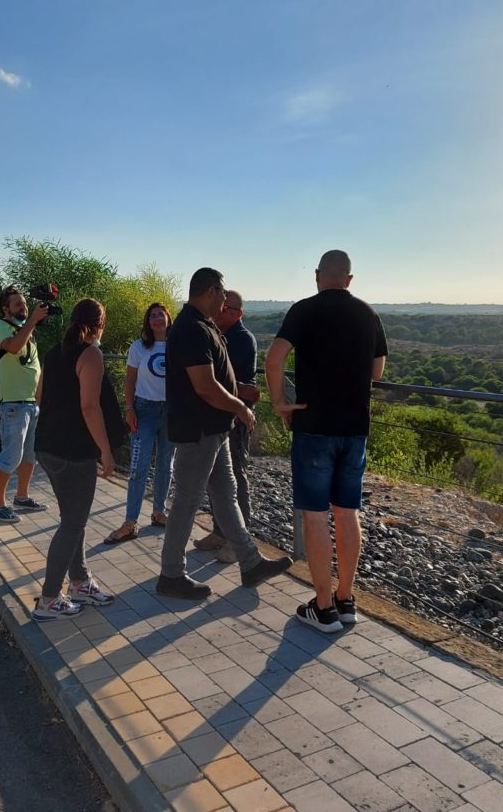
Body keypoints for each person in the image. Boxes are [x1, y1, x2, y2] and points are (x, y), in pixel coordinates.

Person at [266, 250, 387, 632]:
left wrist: (280, 403)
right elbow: (377, 371)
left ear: (318, 276)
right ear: (349, 279)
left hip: (314, 425)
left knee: (315, 517)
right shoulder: (368, 313)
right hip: (354, 429)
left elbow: (273, 359)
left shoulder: (304, 310)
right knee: (347, 512)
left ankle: (322, 607)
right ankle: (346, 599)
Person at [157, 267, 292, 600]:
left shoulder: (203, 326)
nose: (224, 298)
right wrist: (240, 408)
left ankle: (250, 562)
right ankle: (171, 574)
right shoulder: (190, 328)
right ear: (210, 291)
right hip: (199, 430)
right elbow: (205, 386)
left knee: (226, 495)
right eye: (222, 292)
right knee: (187, 502)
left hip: (212, 430)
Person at [31, 298, 117, 621]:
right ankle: (49, 598)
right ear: (99, 324)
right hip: (74, 452)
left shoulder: (55, 353)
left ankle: (79, 582)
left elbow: (39, 396)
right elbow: (90, 407)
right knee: (72, 524)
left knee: (73, 518)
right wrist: (105, 450)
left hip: (47, 447)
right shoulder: (90, 354)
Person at [195, 290, 259, 562]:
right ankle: (221, 531)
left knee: (235, 478)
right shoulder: (219, 334)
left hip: (235, 417)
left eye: (227, 308)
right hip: (218, 416)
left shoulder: (242, 339)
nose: (221, 310)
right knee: (217, 478)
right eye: (221, 306)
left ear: (238, 313)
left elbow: (225, 379)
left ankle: (239, 540)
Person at [104, 302, 175, 544]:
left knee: (166, 465)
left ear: (168, 318)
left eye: (160, 314)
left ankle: (159, 512)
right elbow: (130, 380)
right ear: (148, 322)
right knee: (139, 467)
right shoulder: (138, 347)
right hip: (144, 410)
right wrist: (129, 408)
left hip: (171, 412)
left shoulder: (179, 346)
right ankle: (130, 521)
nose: (156, 318)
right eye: (152, 315)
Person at [0, 286, 50, 523]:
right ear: (6, 309)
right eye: (18, 304)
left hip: (31, 404)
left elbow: (35, 369)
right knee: (11, 457)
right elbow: (13, 347)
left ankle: (22, 496)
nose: (23, 308)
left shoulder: (25, 332)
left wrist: (40, 398)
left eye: (24, 304)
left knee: (29, 457)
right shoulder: (1, 327)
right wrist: (32, 320)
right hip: (13, 405)